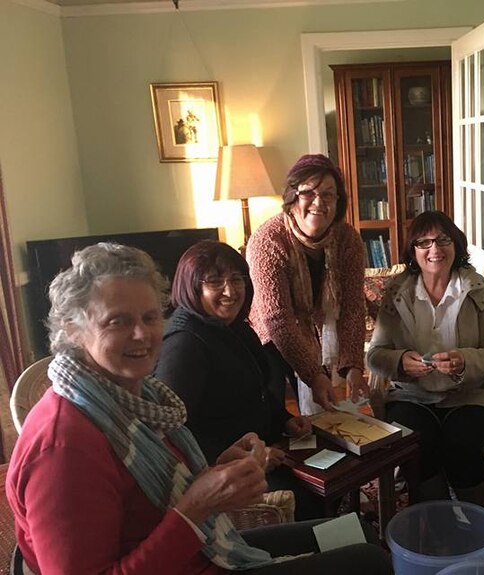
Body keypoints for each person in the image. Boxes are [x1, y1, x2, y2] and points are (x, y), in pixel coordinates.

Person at [4, 243, 392, 575]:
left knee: (357, 530)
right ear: (73, 332)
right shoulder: (62, 447)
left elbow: (155, 485)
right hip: (196, 552)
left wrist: (216, 468)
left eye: (150, 317)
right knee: (367, 562)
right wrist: (195, 508)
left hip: (209, 547)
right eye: (118, 321)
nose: (142, 334)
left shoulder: (133, 398)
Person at [155, 240, 322, 520]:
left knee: (327, 477)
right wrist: (242, 458)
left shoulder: (236, 329)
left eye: (237, 279)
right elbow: (171, 432)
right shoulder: (184, 344)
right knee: (309, 503)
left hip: (268, 449)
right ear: (192, 286)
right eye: (215, 281)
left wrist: (284, 419)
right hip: (224, 470)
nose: (230, 291)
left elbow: (258, 392)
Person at [365, 211, 484, 515]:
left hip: (474, 393)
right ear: (412, 251)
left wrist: (463, 361)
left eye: (443, 239)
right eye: (424, 242)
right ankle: (439, 522)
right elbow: (375, 354)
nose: (435, 249)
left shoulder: (479, 289)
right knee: (418, 447)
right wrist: (402, 362)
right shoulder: (396, 293)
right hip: (411, 395)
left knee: (459, 447)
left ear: (455, 244)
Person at [246, 154, 367, 414]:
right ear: (292, 197)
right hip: (271, 338)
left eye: (328, 194)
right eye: (308, 193)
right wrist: (314, 375)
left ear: (339, 201)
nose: (318, 202)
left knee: (331, 417)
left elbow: (353, 306)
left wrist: (355, 366)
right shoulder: (267, 240)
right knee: (278, 413)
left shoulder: (348, 239)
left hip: (320, 327)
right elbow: (277, 319)